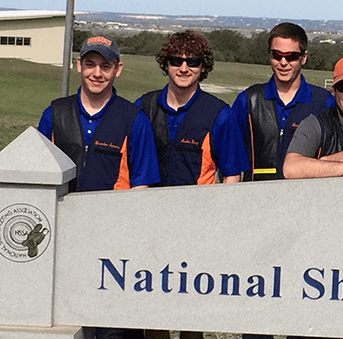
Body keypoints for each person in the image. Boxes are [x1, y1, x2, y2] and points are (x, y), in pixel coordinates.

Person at [36, 35, 158, 339]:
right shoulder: (55, 114)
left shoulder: (133, 119)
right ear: (78, 66)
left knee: (113, 328)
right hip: (65, 237)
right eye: (90, 64)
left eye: (105, 66)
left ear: (118, 69)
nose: (97, 73)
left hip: (114, 241)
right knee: (68, 323)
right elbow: (38, 177)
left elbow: (141, 186)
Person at [135, 31, 244, 189]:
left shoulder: (220, 114)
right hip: (149, 207)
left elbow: (231, 174)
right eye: (176, 61)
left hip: (199, 208)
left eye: (192, 62)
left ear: (203, 66)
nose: (184, 68)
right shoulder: (144, 106)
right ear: (166, 64)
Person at [231, 23, 333, 180]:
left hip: (307, 197)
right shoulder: (248, 100)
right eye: (277, 55)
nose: (283, 62)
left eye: (291, 56)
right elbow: (232, 160)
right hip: (256, 197)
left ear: (303, 58)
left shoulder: (324, 102)